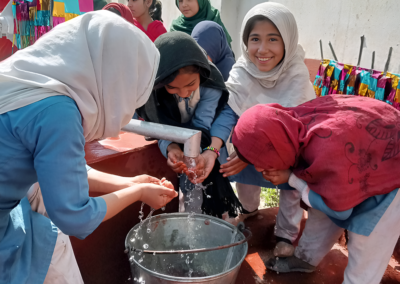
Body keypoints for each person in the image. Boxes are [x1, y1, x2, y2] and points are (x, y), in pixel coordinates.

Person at [0, 11, 178, 284]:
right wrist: (138, 192)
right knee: (50, 240)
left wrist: (132, 182)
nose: (128, 111)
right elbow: (75, 216)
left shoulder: (29, 78)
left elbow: (63, 169)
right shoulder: (58, 112)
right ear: (115, 80)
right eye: (131, 97)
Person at [232, 95, 400, 284]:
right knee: (320, 207)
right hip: (364, 147)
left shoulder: (326, 150)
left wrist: (292, 178)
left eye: (260, 162)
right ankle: (305, 259)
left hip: (389, 179)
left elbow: (340, 210)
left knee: (365, 247)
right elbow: (325, 196)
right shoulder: (290, 125)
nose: (259, 169)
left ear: (275, 147)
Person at [212, 2, 316, 257]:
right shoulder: (242, 70)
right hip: (248, 149)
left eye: (273, 39)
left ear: (287, 41)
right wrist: (216, 147)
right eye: (254, 39)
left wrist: (252, 156)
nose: (262, 49)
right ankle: (248, 208)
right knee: (230, 163)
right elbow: (229, 111)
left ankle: (286, 234)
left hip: (287, 152)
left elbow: (298, 130)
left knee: (291, 183)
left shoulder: (296, 75)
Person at [137, 31, 244, 218]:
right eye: (173, 88)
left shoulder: (211, 86)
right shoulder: (155, 93)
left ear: (201, 73)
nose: (184, 93)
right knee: (189, 199)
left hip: (208, 142)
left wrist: (206, 152)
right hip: (182, 146)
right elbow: (158, 126)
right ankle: (192, 221)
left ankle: (219, 221)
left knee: (214, 197)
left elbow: (201, 124)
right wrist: (170, 146)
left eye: (191, 84)